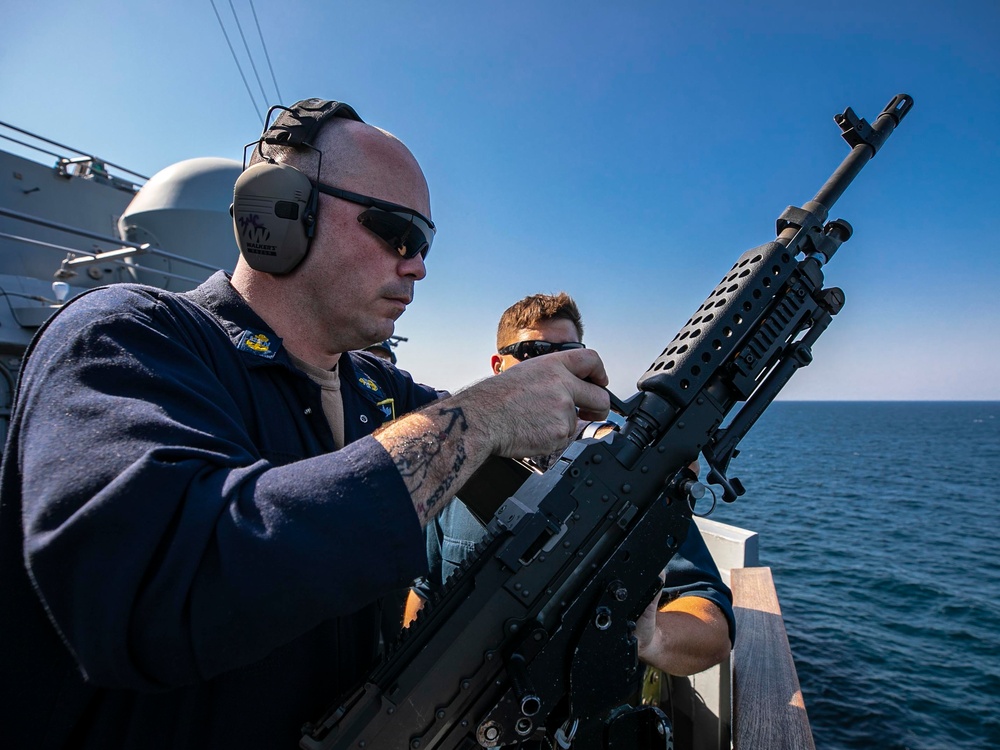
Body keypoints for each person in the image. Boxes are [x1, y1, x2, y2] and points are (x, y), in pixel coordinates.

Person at [0, 100, 611, 749]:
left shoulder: (372, 389)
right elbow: (156, 592)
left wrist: (609, 438)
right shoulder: (125, 337)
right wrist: (486, 415)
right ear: (282, 212)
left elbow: (493, 444)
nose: (418, 266)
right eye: (398, 234)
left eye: (425, 245)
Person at [409, 292, 735, 679]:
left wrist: (650, 638)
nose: (555, 366)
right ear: (498, 366)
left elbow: (712, 623)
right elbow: (425, 592)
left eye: (570, 352)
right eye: (534, 351)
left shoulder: (619, 480)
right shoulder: (457, 468)